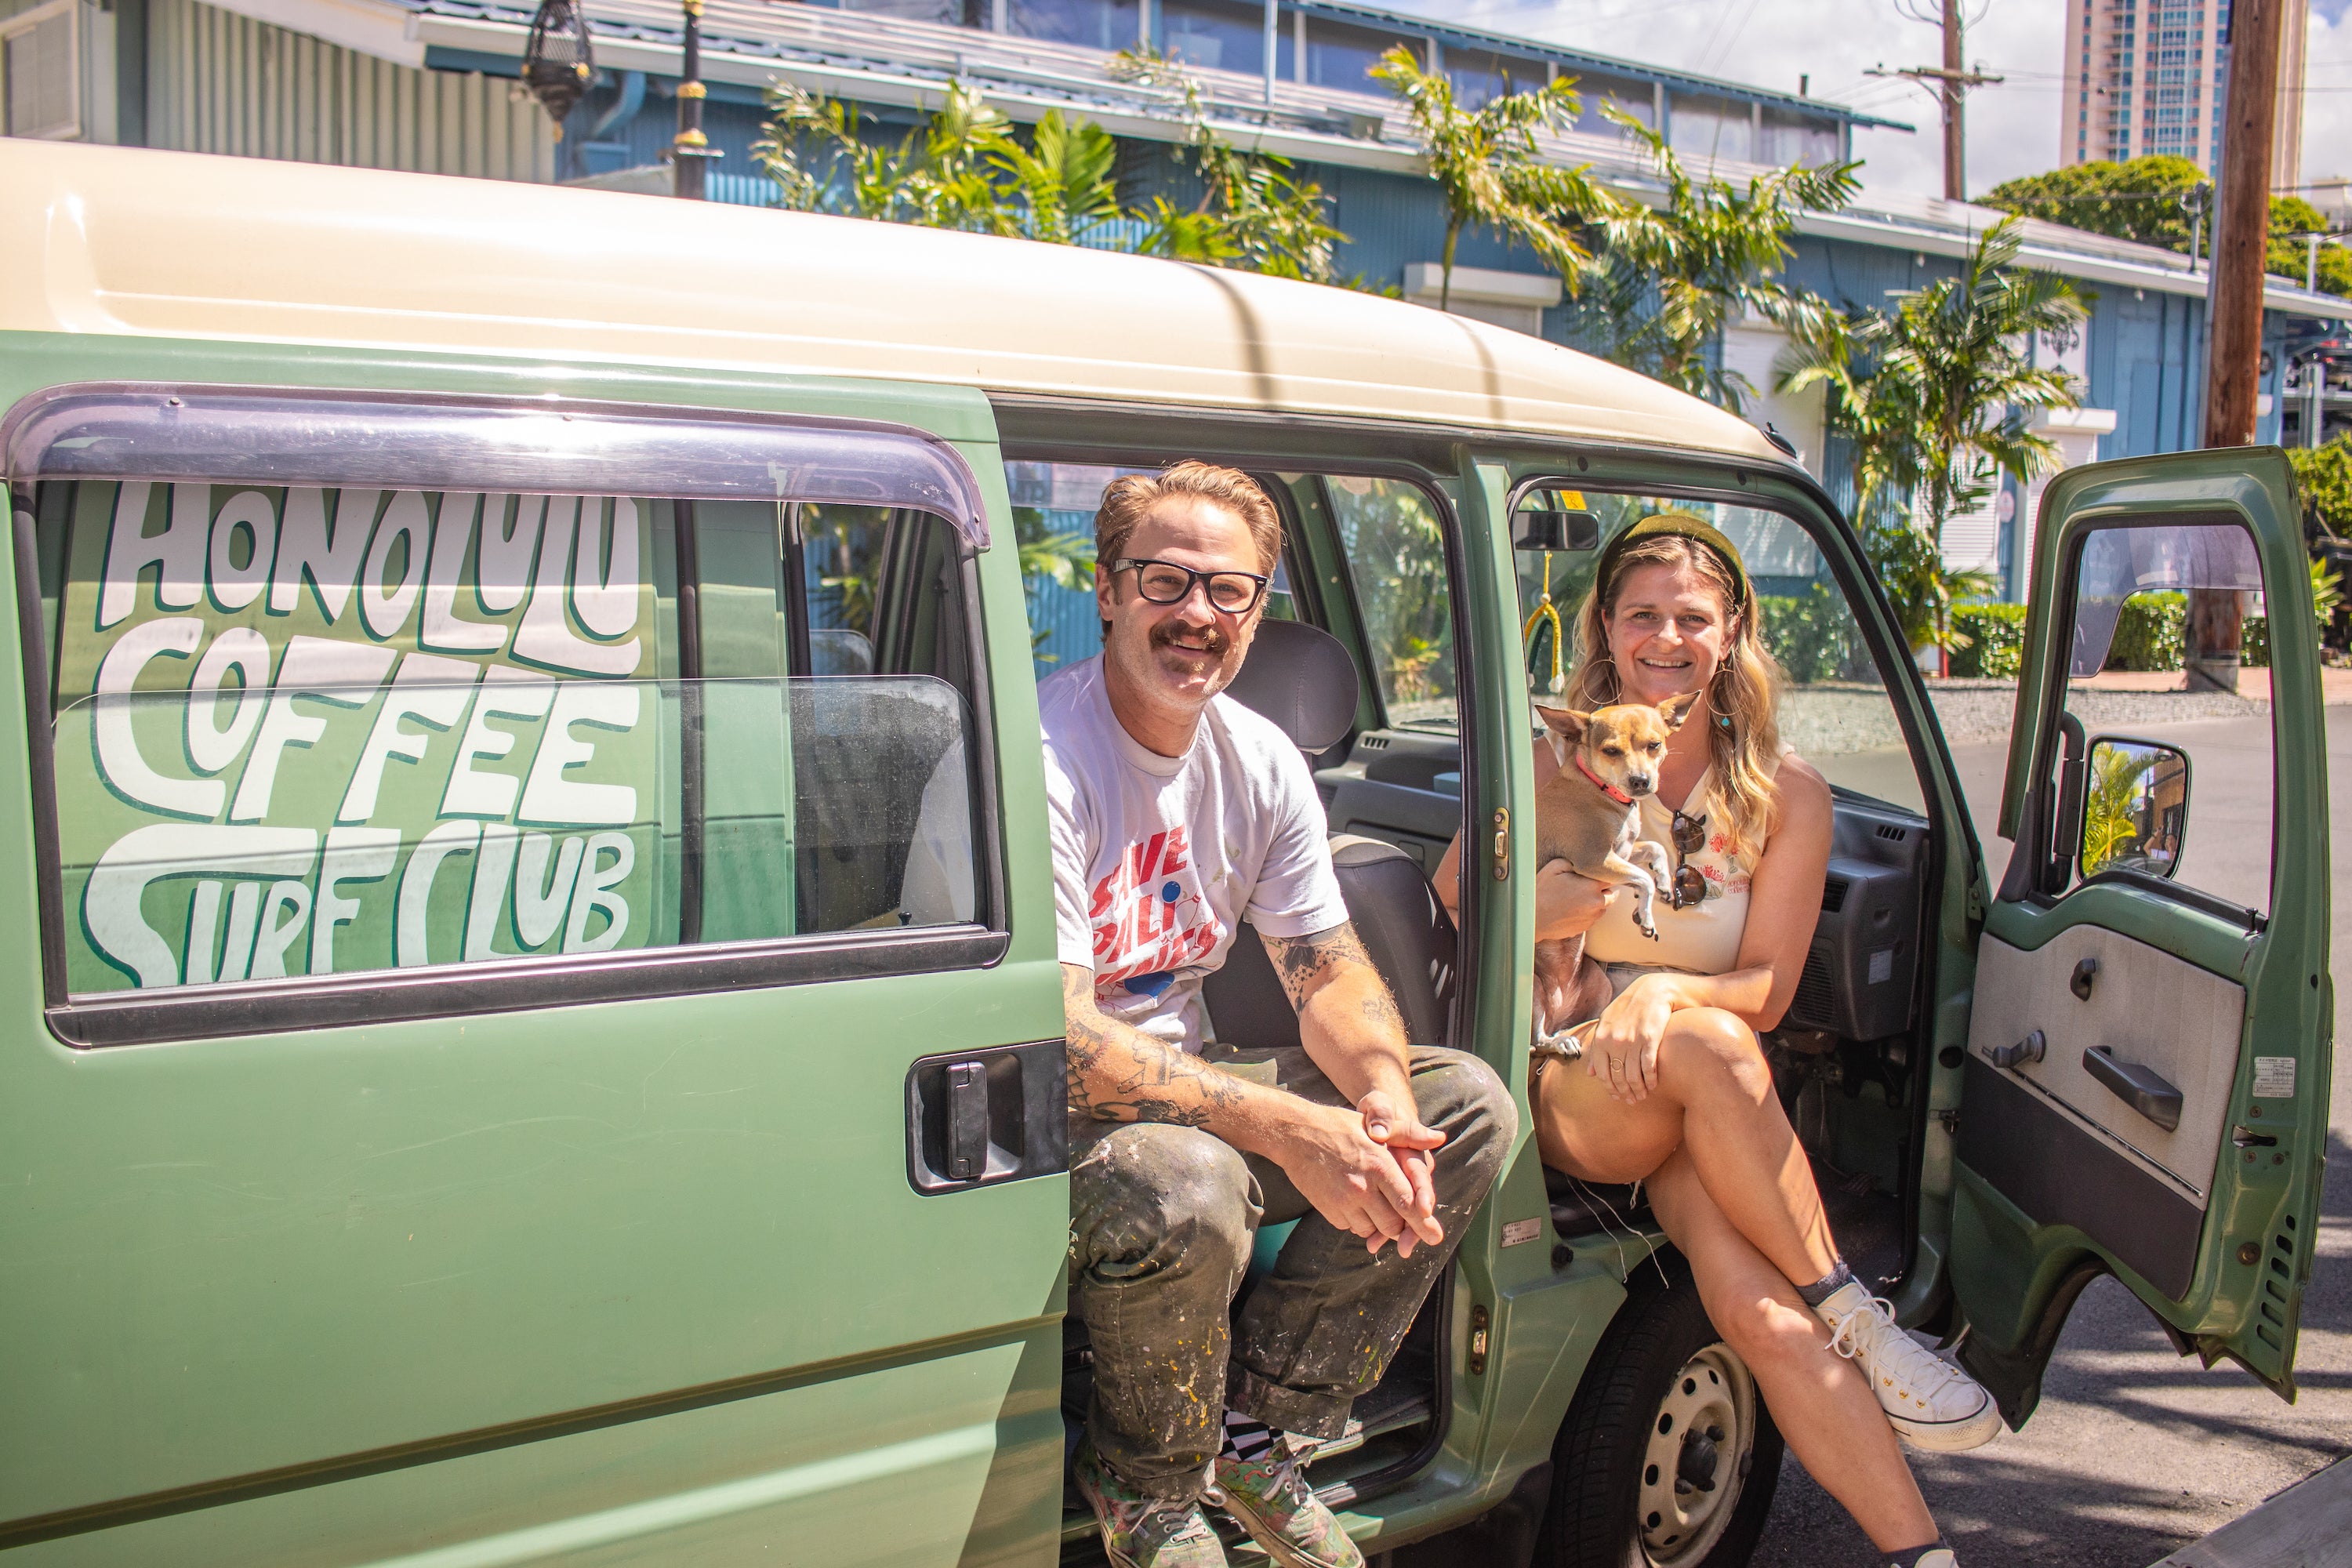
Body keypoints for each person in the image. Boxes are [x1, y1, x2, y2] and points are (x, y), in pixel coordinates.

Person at [1432, 514, 1997, 1568]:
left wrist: (1659, 996)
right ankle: (1867, 1324)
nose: (1664, 637)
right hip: (1575, 1077)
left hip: (1697, 1105)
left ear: (1729, 633)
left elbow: (1771, 990)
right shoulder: (1555, 758)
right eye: (1640, 613)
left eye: (1691, 617)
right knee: (1719, 1051)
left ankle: (1924, 1555)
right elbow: (1461, 897)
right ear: (1605, 623)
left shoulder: (1788, 794)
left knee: (1760, 1313)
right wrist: (1607, 961)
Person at [1052, 462, 1515, 1568]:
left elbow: (1329, 971)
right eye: (1166, 581)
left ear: (1259, 613)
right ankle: (1149, 1478)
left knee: (1468, 1108)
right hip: (1035, 1120)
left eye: (1230, 591)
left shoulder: (1256, 758)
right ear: (1109, 591)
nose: (1197, 614)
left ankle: (1257, 1426)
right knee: (1193, 1180)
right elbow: (1057, 1043)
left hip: (1179, 1087)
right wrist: (1292, 1131)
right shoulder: (1048, 761)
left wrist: (1382, 1106)